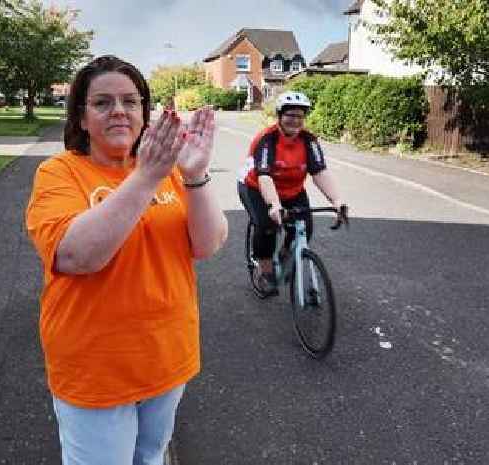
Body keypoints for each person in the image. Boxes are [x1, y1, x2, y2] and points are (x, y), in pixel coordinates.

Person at [25, 55, 228, 465]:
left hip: (166, 356)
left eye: (130, 101)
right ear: (81, 118)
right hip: (94, 367)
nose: (119, 110)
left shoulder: (169, 170)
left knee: (150, 457)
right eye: (102, 103)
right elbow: (77, 256)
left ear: (143, 112)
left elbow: (208, 244)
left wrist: (196, 174)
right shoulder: (59, 173)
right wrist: (146, 176)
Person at [237, 90, 345, 297]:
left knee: (305, 228)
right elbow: (265, 176)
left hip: (292, 189)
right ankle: (266, 272)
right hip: (256, 187)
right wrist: (274, 205)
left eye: (300, 116)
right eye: (290, 115)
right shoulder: (267, 139)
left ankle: (287, 254)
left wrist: (337, 200)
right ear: (279, 116)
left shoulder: (309, 141)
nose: (295, 120)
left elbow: (320, 172)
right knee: (267, 225)